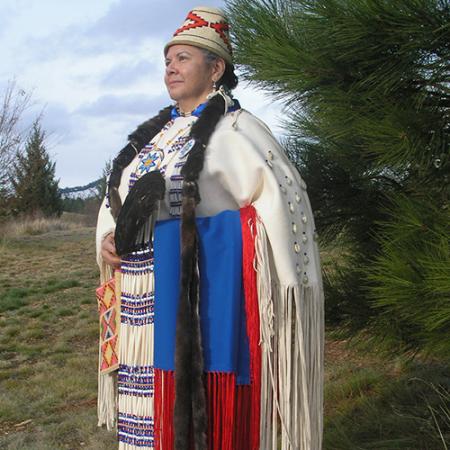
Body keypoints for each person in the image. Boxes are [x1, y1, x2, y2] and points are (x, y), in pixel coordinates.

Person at [96, 6, 324, 450]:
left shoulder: (238, 132)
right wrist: (107, 237)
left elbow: (284, 206)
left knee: (199, 418)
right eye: (167, 60)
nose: (171, 68)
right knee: (143, 413)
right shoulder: (152, 137)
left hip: (197, 294)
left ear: (215, 68)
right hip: (138, 297)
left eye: (183, 58)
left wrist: (200, 236)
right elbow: (115, 199)